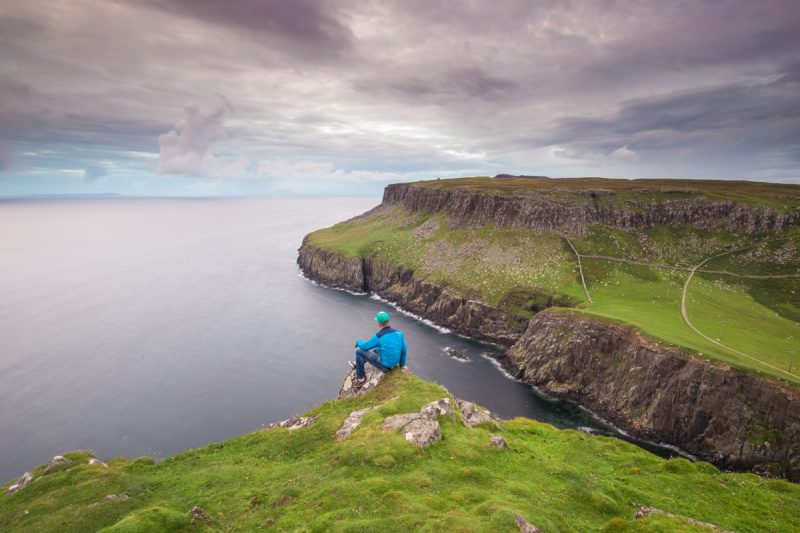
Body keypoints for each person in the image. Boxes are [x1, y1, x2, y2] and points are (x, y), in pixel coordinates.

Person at [351, 311, 409, 386]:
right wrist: (402, 364)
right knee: (376, 349)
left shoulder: (379, 335)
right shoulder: (399, 333)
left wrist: (357, 342)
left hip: (385, 366)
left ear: (379, 323)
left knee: (359, 351)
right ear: (388, 321)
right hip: (394, 364)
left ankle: (361, 378)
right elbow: (404, 350)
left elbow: (364, 347)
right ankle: (358, 363)